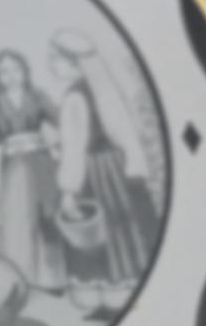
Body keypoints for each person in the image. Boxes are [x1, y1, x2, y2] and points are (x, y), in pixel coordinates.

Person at [49, 28, 160, 284]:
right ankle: (136, 270)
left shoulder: (74, 96)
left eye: (55, 59)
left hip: (93, 170)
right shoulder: (101, 88)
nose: (51, 65)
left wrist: (68, 191)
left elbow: (75, 148)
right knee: (127, 217)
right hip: (116, 164)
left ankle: (109, 280)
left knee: (99, 225)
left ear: (73, 63)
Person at [0, 48, 66, 291]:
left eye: (15, 69)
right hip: (13, 167)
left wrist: (60, 142)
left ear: (25, 71)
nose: (10, 75)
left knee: (48, 216)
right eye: (3, 71)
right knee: (17, 221)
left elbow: (60, 120)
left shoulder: (38, 95)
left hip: (42, 163)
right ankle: (24, 280)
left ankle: (56, 278)